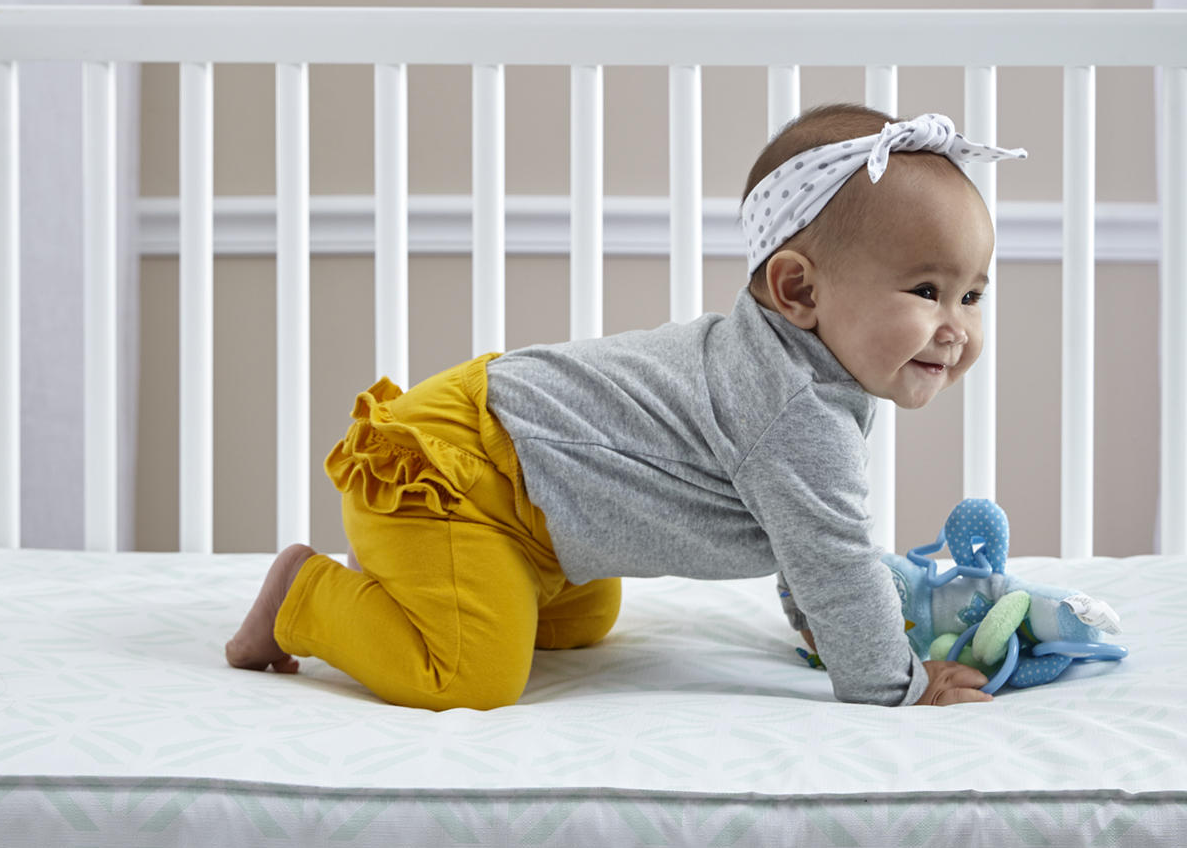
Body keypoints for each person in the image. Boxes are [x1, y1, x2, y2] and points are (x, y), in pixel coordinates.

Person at [225, 103, 1027, 710]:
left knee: (586, 617)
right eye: (927, 291)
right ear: (799, 290)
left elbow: (808, 542)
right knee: (474, 673)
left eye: (972, 294)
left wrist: (819, 623)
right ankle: (308, 595)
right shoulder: (794, 408)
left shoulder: (804, 381)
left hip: (526, 509)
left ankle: (424, 579)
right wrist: (900, 685)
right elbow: (836, 560)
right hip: (454, 473)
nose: (956, 325)